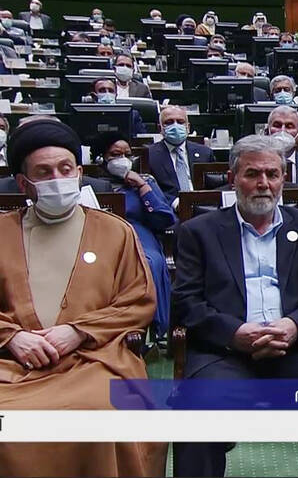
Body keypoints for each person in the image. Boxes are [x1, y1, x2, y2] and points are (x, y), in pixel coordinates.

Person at [171, 134, 298, 477]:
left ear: (284, 178)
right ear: (232, 178)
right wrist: (235, 333)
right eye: (252, 174)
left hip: (295, 349)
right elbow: (187, 302)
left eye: (272, 174)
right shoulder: (198, 231)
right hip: (224, 353)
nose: (263, 184)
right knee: (199, 404)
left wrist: (294, 326)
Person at [0, 119, 166, 476]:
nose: (57, 179)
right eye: (44, 172)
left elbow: (138, 301)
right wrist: (12, 337)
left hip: (93, 359)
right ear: (23, 183)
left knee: (100, 413)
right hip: (12, 365)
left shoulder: (116, 231)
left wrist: (77, 331)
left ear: (79, 173)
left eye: (65, 169)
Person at [91, 132, 176, 337]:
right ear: (102, 158)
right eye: (115, 155)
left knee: (150, 261)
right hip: (101, 236)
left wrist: (141, 186)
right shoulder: (93, 184)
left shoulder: (145, 181)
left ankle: (153, 327)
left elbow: (165, 218)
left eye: (127, 154)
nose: (123, 159)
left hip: (139, 235)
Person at [148, 105, 214, 209]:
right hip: (169, 210)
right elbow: (150, 189)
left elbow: (213, 185)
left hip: (203, 208)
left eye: (180, 122)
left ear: (188, 127)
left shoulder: (205, 152)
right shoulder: (150, 155)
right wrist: (176, 204)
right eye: (169, 122)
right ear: (160, 128)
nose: (175, 126)